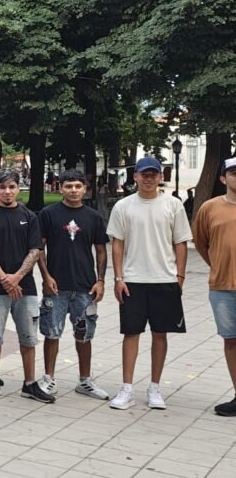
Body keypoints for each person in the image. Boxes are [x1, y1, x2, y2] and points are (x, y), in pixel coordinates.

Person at [108, 156, 193, 410]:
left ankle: (155, 387)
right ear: (135, 176)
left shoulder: (173, 205)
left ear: (160, 177)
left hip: (164, 278)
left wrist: (180, 276)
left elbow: (180, 242)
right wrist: (118, 277)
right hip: (133, 279)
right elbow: (117, 244)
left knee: (160, 333)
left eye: (153, 174)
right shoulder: (123, 206)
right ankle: (127, 388)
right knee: (131, 333)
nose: (148, 178)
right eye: (144, 174)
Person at [0, 169, 51, 403]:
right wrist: (5, 279)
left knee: (28, 336)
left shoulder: (29, 216)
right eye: (2, 187)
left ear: (18, 188)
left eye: (11, 187)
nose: (7, 192)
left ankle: (30, 383)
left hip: (25, 287)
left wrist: (17, 277)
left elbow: (35, 250)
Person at [37, 169, 110, 400]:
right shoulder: (48, 214)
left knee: (84, 333)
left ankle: (85, 380)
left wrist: (100, 280)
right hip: (56, 285)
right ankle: (48, 378)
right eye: (68, 186)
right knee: (52, 332)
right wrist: (46, 276)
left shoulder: (94, 217)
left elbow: (100, 250)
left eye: (78, 186)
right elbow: (39, 249)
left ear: (85, 188)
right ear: (61, 188)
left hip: (85, 286)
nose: (73, 190)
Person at [193, 157, 236, 416]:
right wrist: (218, 265)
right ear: (223, 178)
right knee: (231, 341)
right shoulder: (209, 208)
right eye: (233, 173)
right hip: (222, 288)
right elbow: (201, 242)